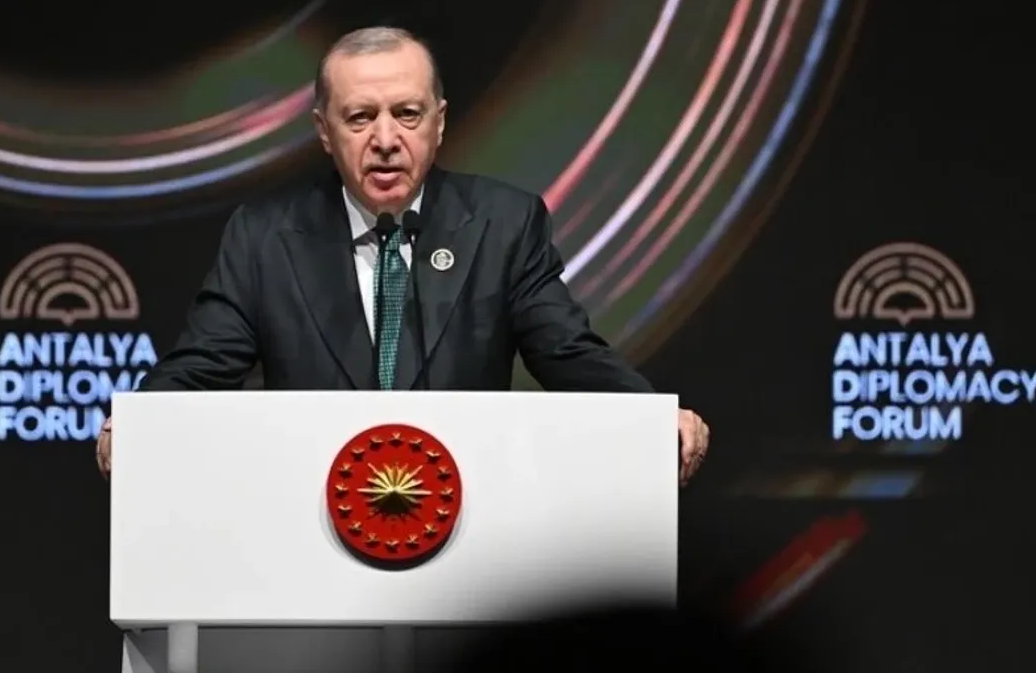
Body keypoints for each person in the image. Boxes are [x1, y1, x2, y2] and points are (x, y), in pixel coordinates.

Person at [96, 26, 709, 482]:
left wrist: (649, 416)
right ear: (324, 131)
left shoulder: (503, 224)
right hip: (309, 523)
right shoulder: (265, 236)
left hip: (467, 518)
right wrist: (140, 423)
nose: (386, 140)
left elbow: (567, 352)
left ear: (438, 123)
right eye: (360, 117)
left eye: (407, 114)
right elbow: (203, 362)